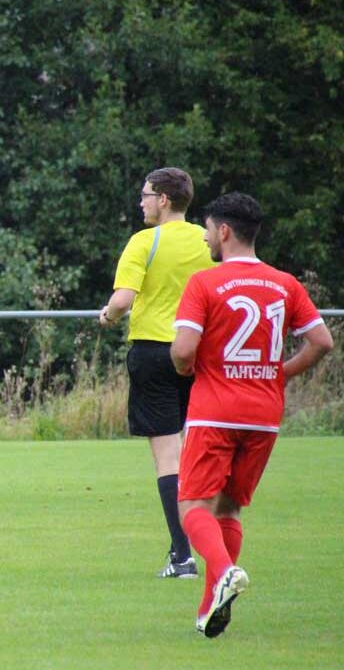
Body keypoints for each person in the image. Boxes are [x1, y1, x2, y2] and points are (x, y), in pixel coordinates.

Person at [171, 192, 333, 637]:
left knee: (191, 505)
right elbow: (322, 341)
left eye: (207, 230)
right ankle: (209, 609)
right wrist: (278, 375)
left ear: (223, 231)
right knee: (230, 508)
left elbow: (184, 351)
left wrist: (185, 365)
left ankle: (224, 570)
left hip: (214, 410)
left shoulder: (204, 283)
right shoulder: (285, 283)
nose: (205, 238)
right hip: (264, 413)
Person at [99, 168, 214, 578]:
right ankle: (190, 545)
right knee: (197, 453)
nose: (141, 202)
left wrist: (108, 315)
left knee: (168, 456)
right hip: (200, 354)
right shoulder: (208, 239)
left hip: (153, 353)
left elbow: (123, 298)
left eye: (146, 195)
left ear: (163, 199)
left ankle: (182, 556)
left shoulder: (145, 241)